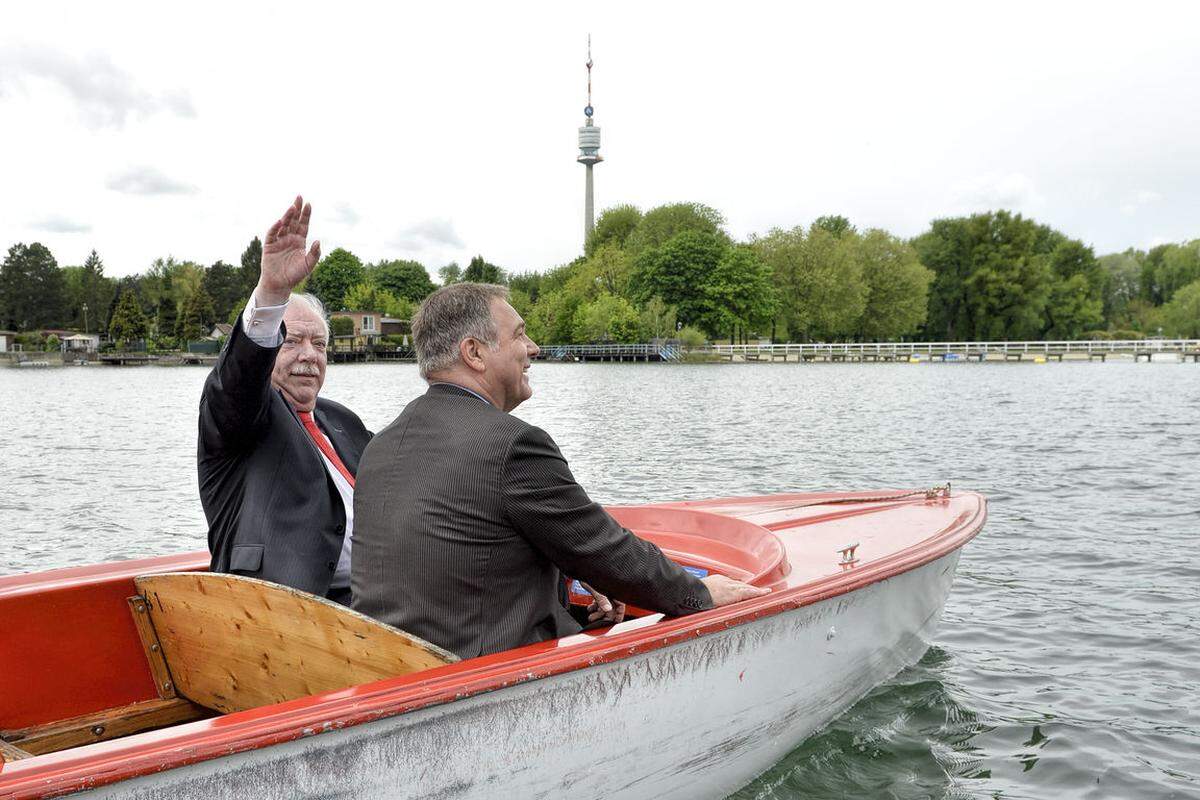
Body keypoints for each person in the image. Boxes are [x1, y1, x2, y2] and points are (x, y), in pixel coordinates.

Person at [352, 282, 768, 658]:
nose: (533, 348)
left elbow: (462, 538)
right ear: (474, 353)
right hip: (489, 681)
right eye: (519, 334)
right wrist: (700, 593)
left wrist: (569, 569)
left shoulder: (381, 445)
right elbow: (604, 549)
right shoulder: (512, 444)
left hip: (394, 670)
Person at [199, 196, 371, 604]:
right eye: (292, 342)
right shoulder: (244, 417)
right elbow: (238, 382)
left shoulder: (342, 420)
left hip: (373, 599)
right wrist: (273, 292)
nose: (309, 355)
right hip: (281, 611)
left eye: (320, 344)